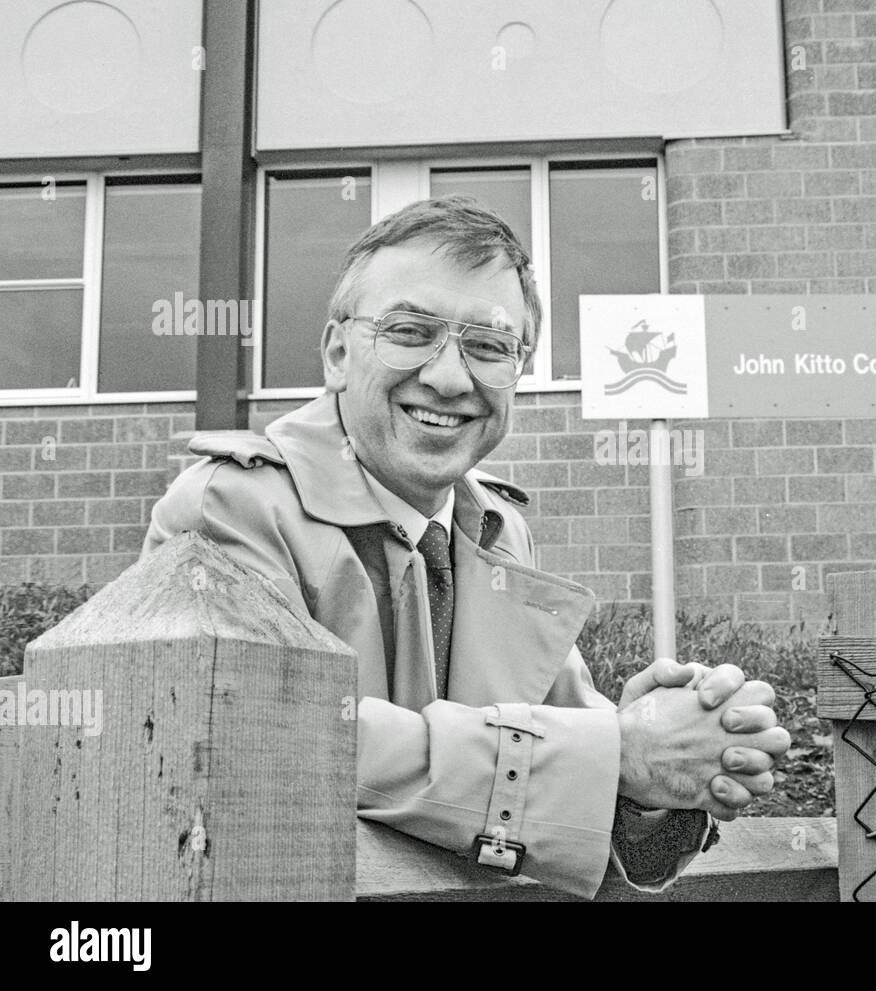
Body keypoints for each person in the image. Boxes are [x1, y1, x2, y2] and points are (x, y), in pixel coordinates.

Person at [142, 196, 790, 898]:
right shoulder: (226, 505)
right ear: (336, 352)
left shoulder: (497, 531)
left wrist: (661, 774)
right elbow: (279, 741)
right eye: (410, 331)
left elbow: (569, 777)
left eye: (487, 346)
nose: (450, 378)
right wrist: (618, 752)